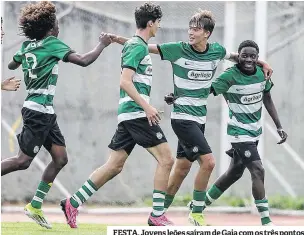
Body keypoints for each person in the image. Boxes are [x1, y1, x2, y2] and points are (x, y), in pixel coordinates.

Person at [111, 9, 273, 226]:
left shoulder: (216, 51)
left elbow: (237, 56)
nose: (190, 32)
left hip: (200, 120)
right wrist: (124, 41)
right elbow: (145, 47)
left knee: (181, 170)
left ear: (207, 33)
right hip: (182, 119)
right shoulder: (178, 49)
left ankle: (157, 215)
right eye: (190, 28)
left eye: (196, 29)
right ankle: (197, 212)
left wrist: (261, 62)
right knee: (208, 163)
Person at [60, 2, 174, 228]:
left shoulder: (137, 44)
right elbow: (124, 81)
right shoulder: (137, 46)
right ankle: (157, 215)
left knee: (114, 165)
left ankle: (72, 203)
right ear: (151, 23)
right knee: (167, 159)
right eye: (158, 22)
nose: (159, 27)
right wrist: (147, 107)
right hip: (136, 115)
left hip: (129, 115)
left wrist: (116, 38)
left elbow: (132, 47)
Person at [2, 1, 112, 229]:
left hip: (45, 112)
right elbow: (83, 60)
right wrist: (102, 44)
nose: (59, 27)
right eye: (57, 23)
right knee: (22, 161)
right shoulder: (52, 43)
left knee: (60, 158)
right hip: (37, 111)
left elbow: (13, 65)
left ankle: (35, 205)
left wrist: (25, 55)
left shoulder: (27, 46)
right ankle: (34, 205)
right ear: (50, 28)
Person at [189, 40, 287, 226]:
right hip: (238, 132)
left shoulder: (262, 74)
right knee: (258, 170)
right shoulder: (229, 77)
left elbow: (267, 98)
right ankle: (266, 221)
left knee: (234, 172)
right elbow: (206, 91)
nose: (248, 59)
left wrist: (279, 126)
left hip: (254, 132)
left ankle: (198, 206)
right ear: (238, 57)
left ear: (258, 59)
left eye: (253, 56)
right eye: (244, 56)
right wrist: (180, 95)